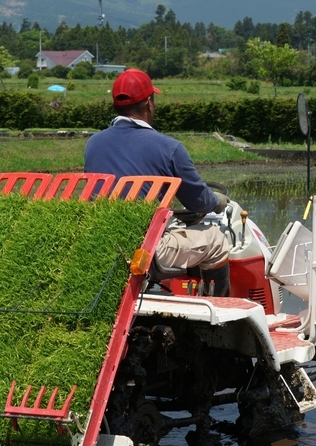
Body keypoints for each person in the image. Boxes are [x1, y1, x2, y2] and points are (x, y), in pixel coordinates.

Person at [84, 69, 232, 296]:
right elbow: (199, 202)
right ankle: (220, 309)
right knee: (217, 241)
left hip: (104, 243)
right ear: (148, 104)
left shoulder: (93, 144)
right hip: (147, 251)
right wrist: (217, 201)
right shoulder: (169, 148)